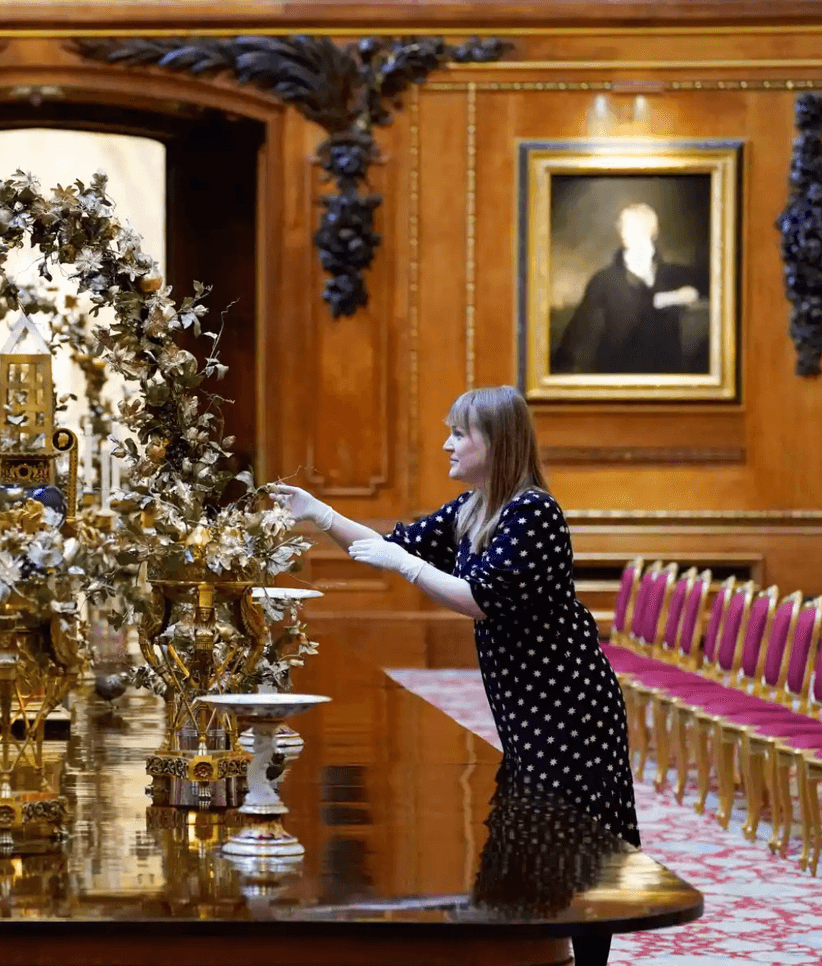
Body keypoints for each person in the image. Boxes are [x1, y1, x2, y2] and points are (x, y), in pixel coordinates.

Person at [271, 385, 636, 966]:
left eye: (459, 433)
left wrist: (408, 566)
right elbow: (391, 547)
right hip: (525, 704)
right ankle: (534, 952)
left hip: (569, 706)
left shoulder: (532, 510)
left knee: (579, 845)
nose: (447, 444)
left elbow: (481, 600)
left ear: (498, 442)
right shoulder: (473, 509)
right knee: (526, 836)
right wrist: (323, 516)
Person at [549, 202, 709, 376]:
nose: (624, 231)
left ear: (651, 231)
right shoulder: (603, 281)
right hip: (617, 375)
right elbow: (577, 332)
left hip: (666, 377)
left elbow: (708, 289)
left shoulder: (673, 275)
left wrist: (687, 295)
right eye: (622, 225)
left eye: (632, 226)